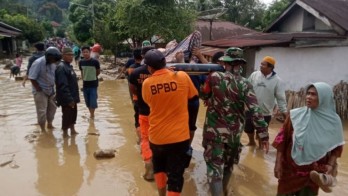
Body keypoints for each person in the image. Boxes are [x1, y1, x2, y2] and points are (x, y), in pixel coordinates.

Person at [200, 47, 269, 196]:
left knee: (214, 169)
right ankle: (224, 191)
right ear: (240, 64)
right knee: (228, 166)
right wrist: (263, 134)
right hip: (234, 135)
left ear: (226, 63)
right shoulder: (246, 84)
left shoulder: (213, 77)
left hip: (214, 134)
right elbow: (255, 110)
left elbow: (204, 96)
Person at [142, 49, 198, 196]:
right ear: (165, 62)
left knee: (159, 168)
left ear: (149, 67)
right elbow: (193, 98)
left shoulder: (147, 83)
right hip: (178, 137)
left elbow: (149, 103)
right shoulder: (182, 76)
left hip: (156, 137)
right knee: (175, 176)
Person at [273, 82, 345, 195]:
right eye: (308, 93)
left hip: (313, 173)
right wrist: (278, 164)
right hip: (290, 170)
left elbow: (337, 147)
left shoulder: (334, 121)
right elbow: (282, 140)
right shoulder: (295, 116)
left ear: (324, 98)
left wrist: (330, 165)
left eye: (314, 94)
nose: (308, 97)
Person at [245, 56, 288, 147]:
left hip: (265, 112)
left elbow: (281, 98)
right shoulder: (254, 75)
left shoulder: (277, 81)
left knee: (262, 132)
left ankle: (261, 147)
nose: (260, 66)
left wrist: (284, 113)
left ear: (270, 67)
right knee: (248, 128)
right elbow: (246, 87)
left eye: (263, 65)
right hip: (251, 109)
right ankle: (251, 142)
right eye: (261, 64)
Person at [128, 46, 155, 181]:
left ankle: (148, 163)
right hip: (160, 112)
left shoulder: (136, 72)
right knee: (159, 138)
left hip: (143, 110)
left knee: (145, 139)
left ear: (143, 56)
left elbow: (132, 90)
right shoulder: (163, 72)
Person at [28, 47, 62, 132]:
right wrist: (37, 88)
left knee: (52, 109)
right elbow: (32, 77)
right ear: (49, 57)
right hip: (40, 90)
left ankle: (50, 124)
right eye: (54, 59)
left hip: (51, 89)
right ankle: (43, 130)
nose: (55, 61)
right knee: (42, 111)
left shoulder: (54, 63)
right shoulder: (38, 63)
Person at [55, 47, 80, 137]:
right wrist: (69, 99)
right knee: (66, 115)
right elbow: (63, 85)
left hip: (73, 96)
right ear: (63, 56)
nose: (71, 57)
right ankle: (65, 133)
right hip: (67, 98)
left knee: (73, 115)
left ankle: (72, 130)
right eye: (68, 55)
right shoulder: (61, 67)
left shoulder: (69, 66)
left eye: (72, 55)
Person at [79, 46, 101, 119]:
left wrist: (92, 77)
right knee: (87, 101)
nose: (85, 53)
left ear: (90, 52)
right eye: (84, 52)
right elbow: (82, 72)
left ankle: (92, 115)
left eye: (87, 52)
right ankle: (91, 114)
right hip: (85, 84)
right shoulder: (81, 62)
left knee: (93, 101)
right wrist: (83, 79)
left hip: (93, 84)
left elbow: (98, 72)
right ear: (82, 53)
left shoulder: (95, 62)